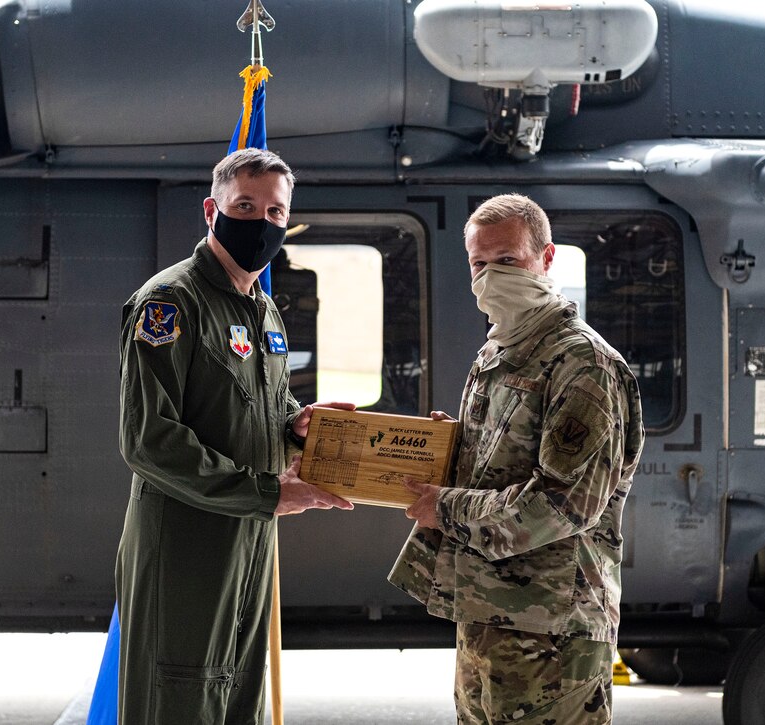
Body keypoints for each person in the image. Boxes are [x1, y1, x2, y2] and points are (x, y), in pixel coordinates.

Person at [115, 147, 353, 725]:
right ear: (211, 210)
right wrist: (268, 492)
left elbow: (253, 401)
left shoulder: (261, 308)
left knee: (239, 699)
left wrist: (294, 423)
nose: (262, 223)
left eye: (276, 212)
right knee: (179, 699)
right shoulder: (170, 303)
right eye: (245, 206)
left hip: (250, 539)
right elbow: (148, 438)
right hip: (186, 546)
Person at [389, 194, 645, 724]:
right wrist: (442, 449)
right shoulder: (499, 352)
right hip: (487, 614)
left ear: (546, 258)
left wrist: (446, 508)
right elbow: (498, 466)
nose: (491, 277)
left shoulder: (583, 364)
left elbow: (563, 505)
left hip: (554, 632)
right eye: (479, 264)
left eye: (507, 260)